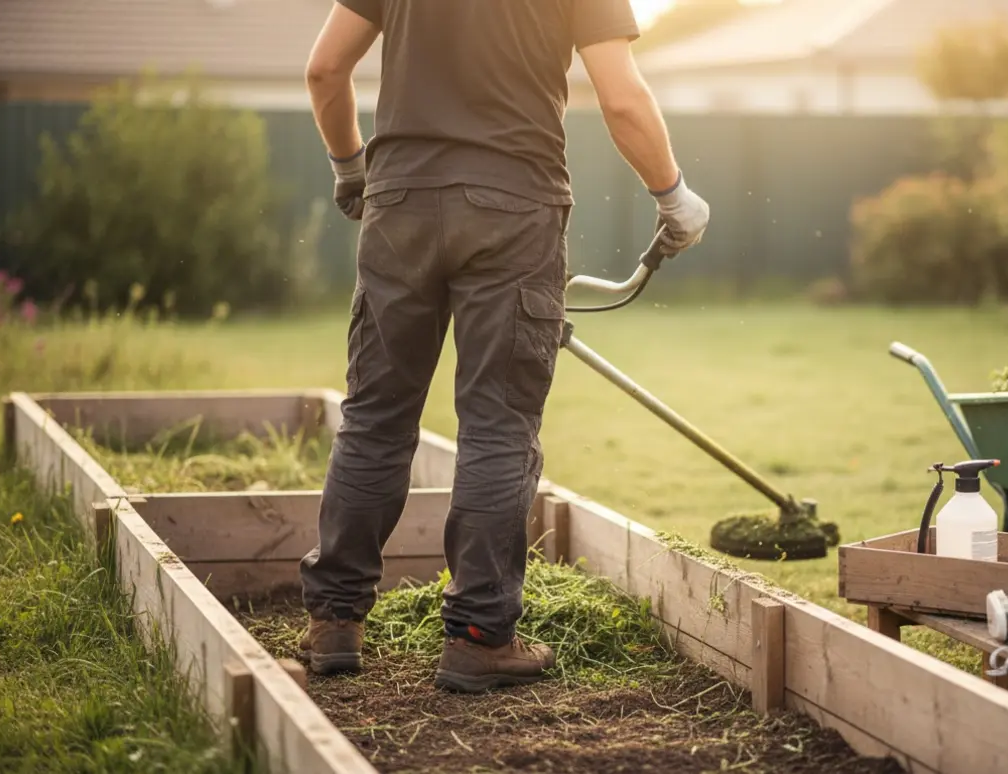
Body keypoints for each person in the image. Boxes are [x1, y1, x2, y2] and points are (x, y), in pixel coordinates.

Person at [296, 0, 710, 693]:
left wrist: (348, 167)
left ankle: (334, 621)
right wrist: (673, 196)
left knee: (375, 416)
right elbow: (624, 99)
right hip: (514, 206)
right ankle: (481, 637)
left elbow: (324, 69)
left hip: (399, 203)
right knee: (497, 424)